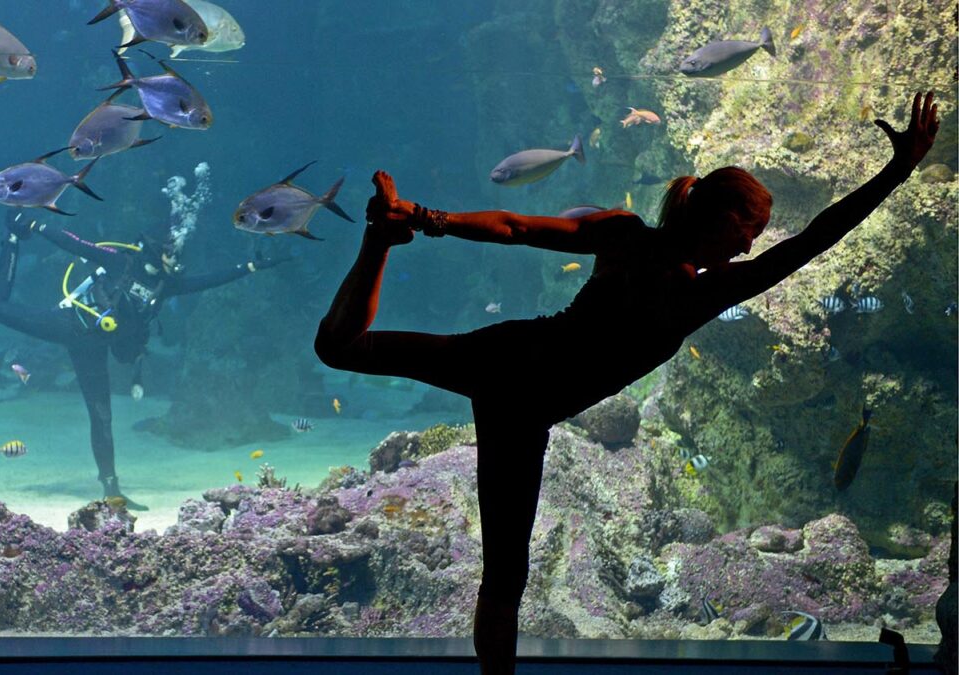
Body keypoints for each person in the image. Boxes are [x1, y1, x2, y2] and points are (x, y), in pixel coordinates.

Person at [315, 92, 939, 674]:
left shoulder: (627, 237)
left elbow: (516, 228)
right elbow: (814, 240)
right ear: (722, 220)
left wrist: (427, 217)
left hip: (506, 368)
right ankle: (383, 232)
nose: (754, 244)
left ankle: (382, 234)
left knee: (341, 348)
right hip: (518, 392)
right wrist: (895, 172)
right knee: (504, 582)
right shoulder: (697, 292)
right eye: (750, 228)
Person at [0, 214, 284, 510]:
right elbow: (76, 244)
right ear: (155, 249)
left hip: (94, 348)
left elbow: (205, 282)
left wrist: (250, 267)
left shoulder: (167, 284)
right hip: (69, 324)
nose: (175, 259)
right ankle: (10, 240)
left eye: (178, 254)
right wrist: (36, 227)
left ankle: (111, 490)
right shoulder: (121, 262)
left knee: (102, 417)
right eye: (170, 252)